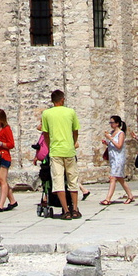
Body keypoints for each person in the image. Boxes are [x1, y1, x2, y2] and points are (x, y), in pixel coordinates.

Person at [40, 90, 82, 219]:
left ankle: (65, 211)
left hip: (55, 151)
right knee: (72, 180)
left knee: (58, 181)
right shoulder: (70, 112)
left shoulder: (46, 113)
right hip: (69, 150)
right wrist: (73, 142)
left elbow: (45, 133)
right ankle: (74, 209)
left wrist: (50, 145)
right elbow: (75, 131)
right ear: (62, 99)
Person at [100, 116, 134, 205]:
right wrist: (107, 143)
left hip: (118, 159)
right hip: (113, 158)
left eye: (112, 122)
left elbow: (119, 146)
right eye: (110, 122)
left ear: (117, 123)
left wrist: (110, 138)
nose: (111, 124)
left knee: (112, 178)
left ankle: (108, 199)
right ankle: (130, 195)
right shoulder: (112, 132)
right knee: (119, 178)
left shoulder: (121, 133)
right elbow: (113, 145)